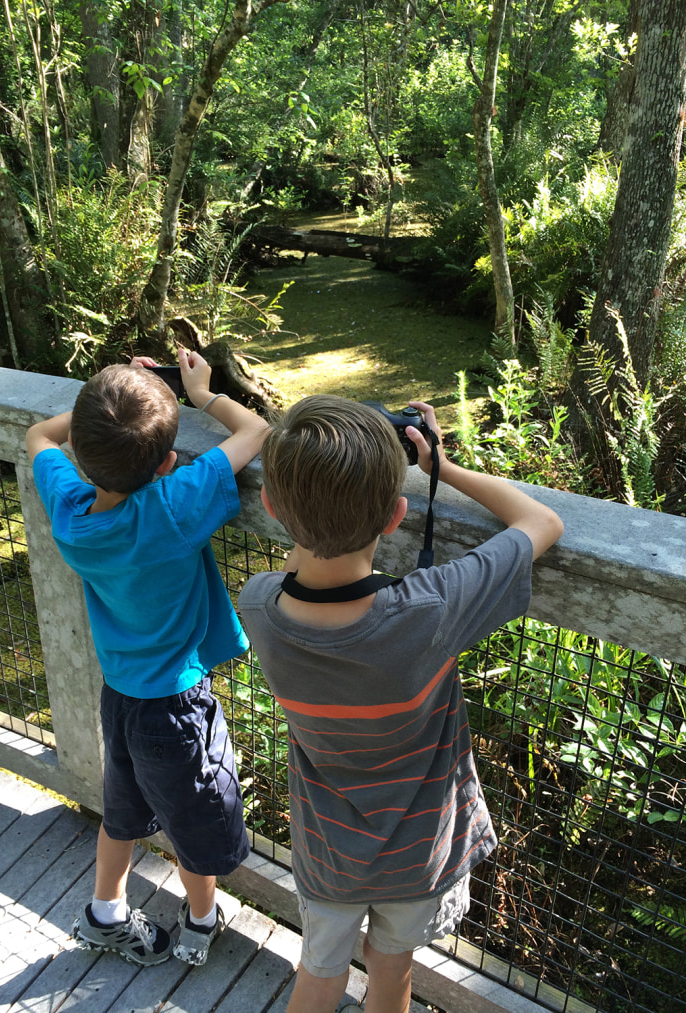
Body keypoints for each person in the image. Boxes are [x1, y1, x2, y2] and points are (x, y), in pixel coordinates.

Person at [238, 395, 563, 1013]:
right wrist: (442, 465)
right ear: (396, 517)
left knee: (319, 969)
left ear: (274, 508)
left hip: (327, 848)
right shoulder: (431, 608)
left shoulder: (259, 606)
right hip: (419, 853)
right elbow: (542, 523)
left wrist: (316, 497)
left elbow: (297, 569)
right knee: (392, 973)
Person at [25, 350, 269, 967]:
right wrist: (200, 394)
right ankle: (202, 918)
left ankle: (105, 912)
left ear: (81, 452)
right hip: (179, 708)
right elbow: (255, 431)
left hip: (122, 697)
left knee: (123, 810)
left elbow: (37, 435)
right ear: (167, 462)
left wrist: (111, 400)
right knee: (194, 820)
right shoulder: (174, 504)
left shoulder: (71, 510)